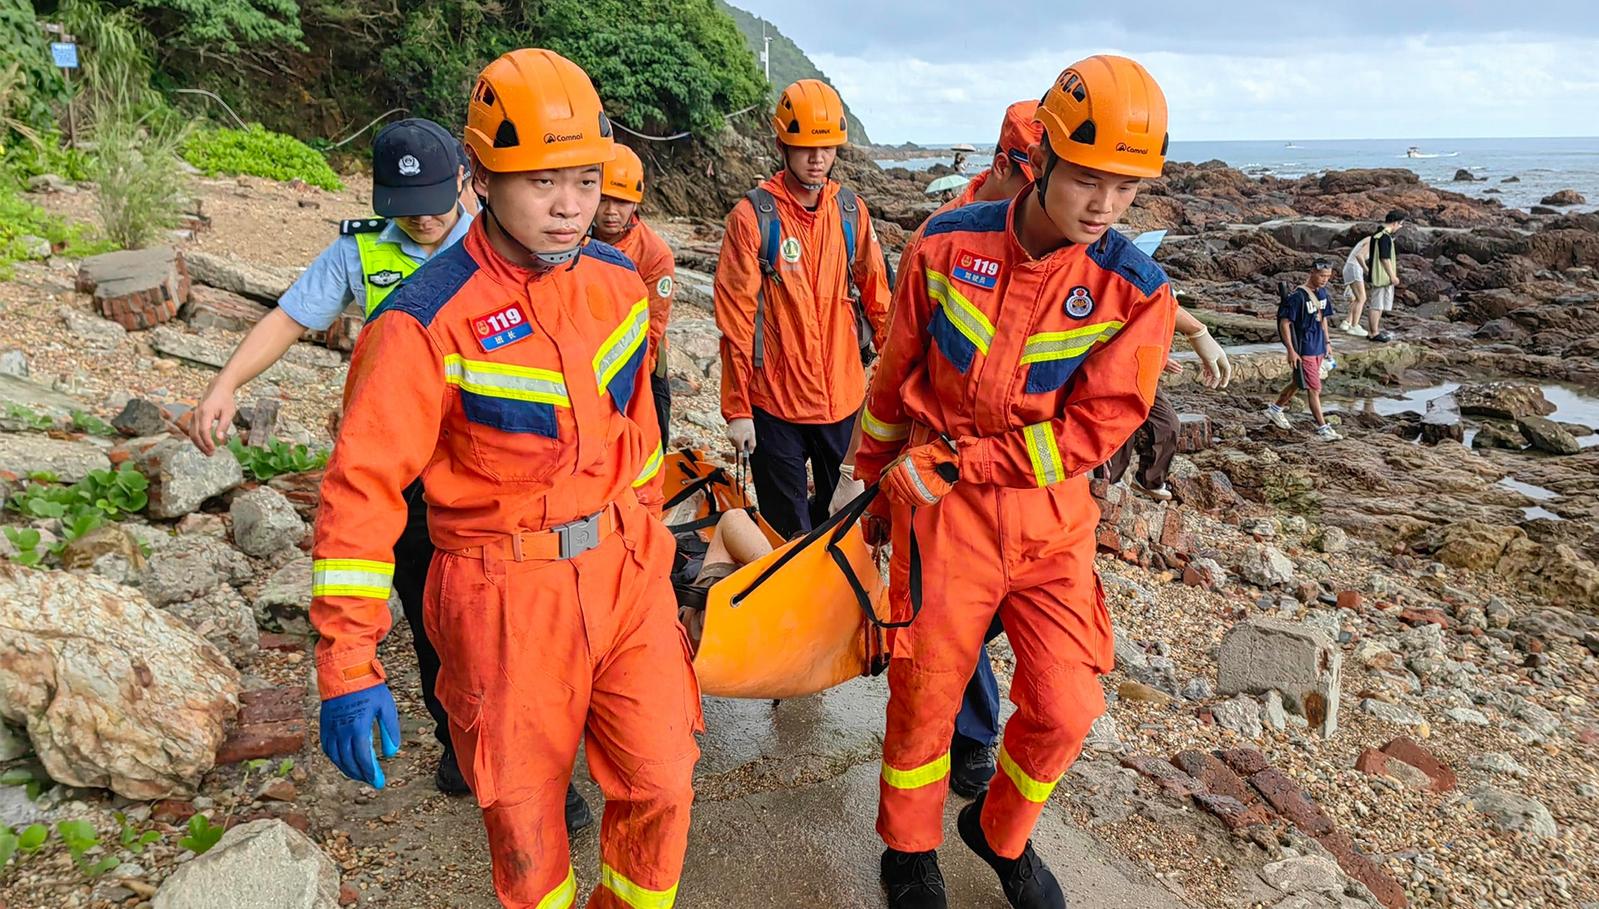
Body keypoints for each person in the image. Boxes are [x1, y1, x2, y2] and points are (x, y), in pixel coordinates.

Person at [310, 49, 699, 908]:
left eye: (585, 181)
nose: (570, 206)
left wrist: (652, 542)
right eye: (541, 181)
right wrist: (348, 663)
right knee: (525, 825)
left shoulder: (617, 284)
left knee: (664, 781)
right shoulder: (420, 321)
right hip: (502, 596)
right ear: (479, 177)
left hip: (625, 575)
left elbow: (636, 433)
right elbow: (360, 493)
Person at [857, 56, 1178, 909]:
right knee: (925, 688)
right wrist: (871, 490)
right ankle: (907, 848)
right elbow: (893, 380)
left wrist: (964, 462)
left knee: (1067, 705)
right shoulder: (945, 244)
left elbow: (1088, 433)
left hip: (1044, 523)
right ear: (1039, 161)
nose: (1105, 205)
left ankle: (996, 832)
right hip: (940, 515)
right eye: (1087, 180)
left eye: (1126, 189)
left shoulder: (1136, 292)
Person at [186, 117, 477, 796]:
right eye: (405, 208)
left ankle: (538, 759)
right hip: (399, 471)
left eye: (436, 200)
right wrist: (225, 385)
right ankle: (460, 741)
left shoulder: (500, 238)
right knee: (428, 613)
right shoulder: (361, 249)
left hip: (481, 465)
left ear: (466, 179)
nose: (424, 219)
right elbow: (289, 317)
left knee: (497, 614)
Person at [714, 78, 892, 540]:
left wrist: (895, 387)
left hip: (844, 401)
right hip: (775, 407)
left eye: (828, 148)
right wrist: (737, 409)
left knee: (846, 525)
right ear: (781, 144)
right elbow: (735, 318)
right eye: (805, 147)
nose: (817, 159)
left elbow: (880, 301)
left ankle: (841, 608)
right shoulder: (753, 218)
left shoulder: (851, 212)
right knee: (785, 534)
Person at [1102, 307, 1232, 500]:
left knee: (1168, 423)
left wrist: (1164, 356)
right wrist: (1198, 332)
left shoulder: (1158, 286)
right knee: (1121, 424)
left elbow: (1164, 305)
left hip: (1142, 369)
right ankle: (1108, 483)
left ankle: (1149, 480)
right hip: (1112, 366)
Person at [595, 143, 677, 442]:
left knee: (649, 447)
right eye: (603, 200)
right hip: (587, 363)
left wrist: (633, 384)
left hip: (642, 365)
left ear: (635, 203)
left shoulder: (654, 254)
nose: (610, 212)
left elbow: (654, 327)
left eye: (620, 202)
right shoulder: (571, 241)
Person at [1265, 259, 1342, 441]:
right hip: (1304, 348)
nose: (1325, 280)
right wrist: (1291, 349)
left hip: (1318, 346)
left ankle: (1275, 409)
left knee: (1299, 382)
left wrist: (1327, 342)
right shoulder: (1297, 297)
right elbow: (1285, 323)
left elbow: (1323, 318)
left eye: (1328, 277)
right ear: (1312, 272)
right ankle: (1323, 428)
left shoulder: (1322, 294)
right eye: (1322, 276)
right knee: (1314, 389)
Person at [1361, 209, 1406, 342]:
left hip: (1378, 273)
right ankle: (1373, 332)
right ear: (1395, 223)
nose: (1400, 227)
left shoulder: (1377, 234)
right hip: (1381, 275)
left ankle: (1375, 331)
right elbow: (1384, 258)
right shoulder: (1384, 236)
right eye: (1400, 224)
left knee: (1379, 304)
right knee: (1376, 304)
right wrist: (1392, 276)